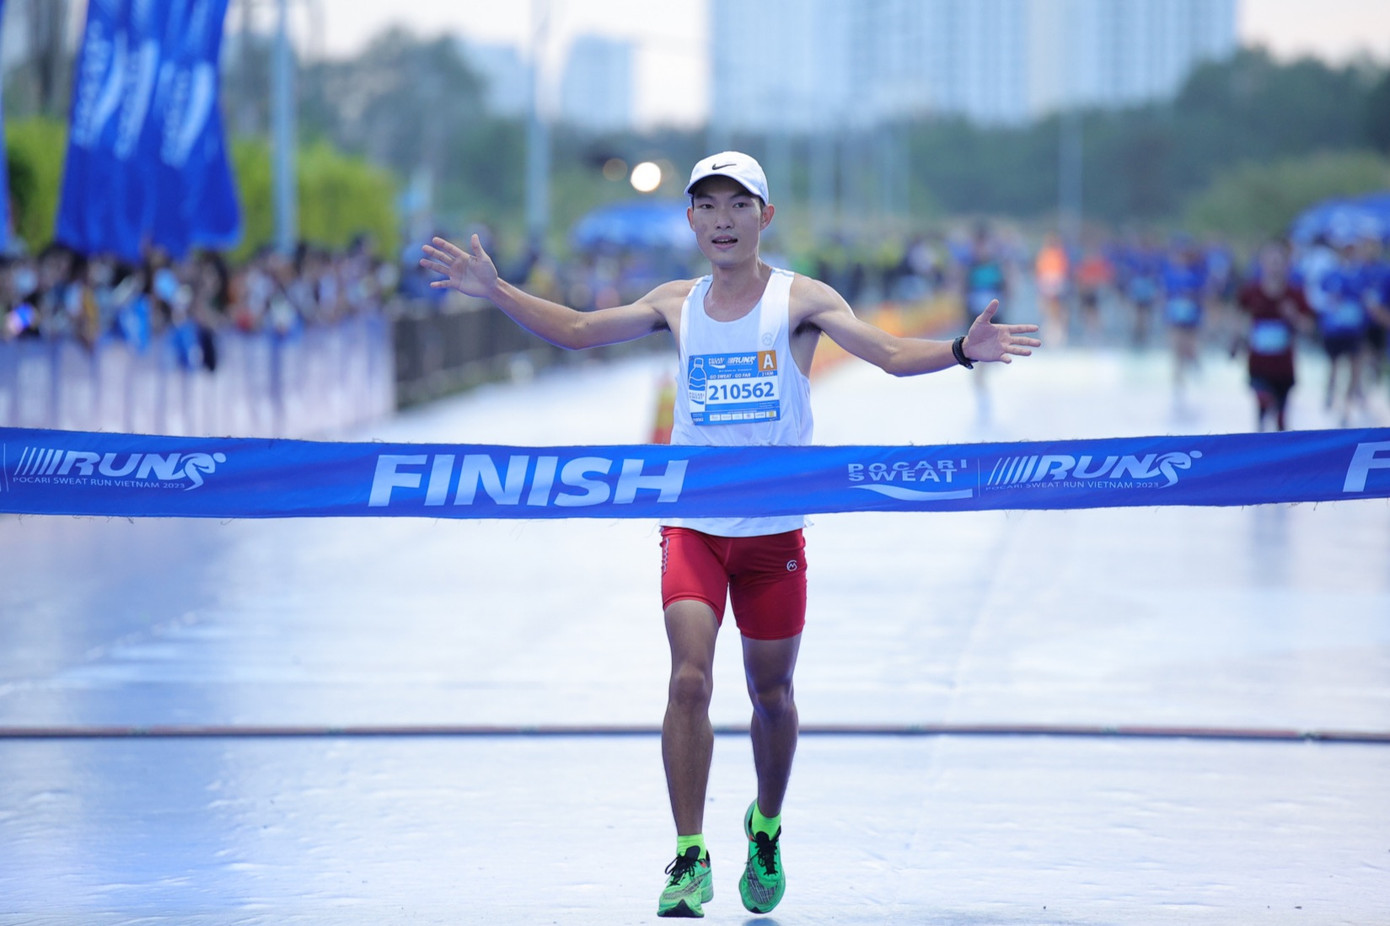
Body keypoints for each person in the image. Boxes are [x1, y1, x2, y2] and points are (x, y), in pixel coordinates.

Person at [419, 151, 1040, 918]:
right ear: (691, 220)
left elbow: (883, 353)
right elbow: (578, 330)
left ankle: (765, 827)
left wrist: (959, 351)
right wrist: (496, 290)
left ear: (764, 217)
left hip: (773, 535)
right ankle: (689, 855)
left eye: (738, 205)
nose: (723, 220)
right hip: (694, 525)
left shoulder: (801, 300)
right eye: (708, 206)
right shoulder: (675, 302)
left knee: (771, 696)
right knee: (689, 679)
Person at [1234, 241, 1315, 431]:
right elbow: (1237, 316)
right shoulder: (1250, 292)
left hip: (1283, 366)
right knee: (1262, 405)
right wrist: (1237, 340)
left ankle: (1279, 444)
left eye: (1278, 262)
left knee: (1281, 420)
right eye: (1270, 261)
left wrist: (1293, 316)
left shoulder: (1294, 294)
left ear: (1286, 265)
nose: (1274, 266)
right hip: (1258, 364)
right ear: (1262, 263)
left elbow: (1309, 327)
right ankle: (1260, 441)